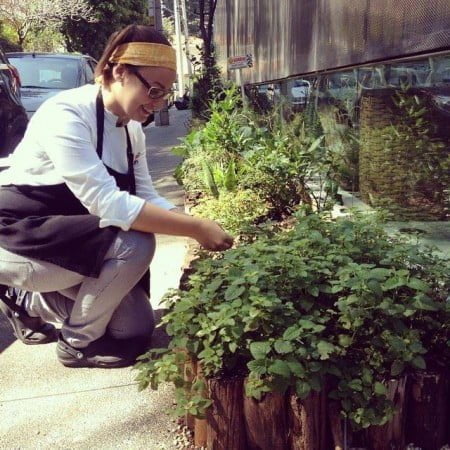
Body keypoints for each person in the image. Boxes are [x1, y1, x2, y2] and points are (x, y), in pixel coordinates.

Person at [0, 25, 233, 368]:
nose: (157, 102)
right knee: (136, 243)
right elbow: (108, 203)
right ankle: (75, 344)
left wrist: (203, 222)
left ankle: (27, 301)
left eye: (164, 94)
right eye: (153, 89)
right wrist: (195, 227)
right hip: (19, 235)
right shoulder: (66, 114)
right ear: (120, 71)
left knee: (134, 328)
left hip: (71, 241)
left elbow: (145, 195)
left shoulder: (131, 130)